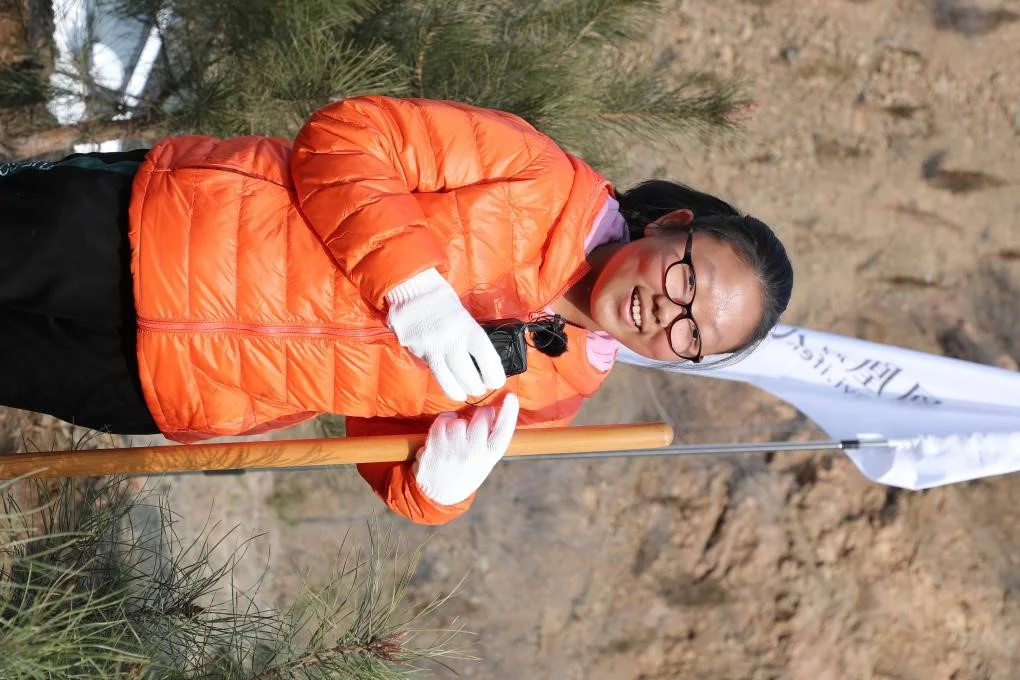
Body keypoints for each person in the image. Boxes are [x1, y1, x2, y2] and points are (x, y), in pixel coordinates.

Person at [0, 96, 793, 524]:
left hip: (175, 386)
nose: (667, 313)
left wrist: (436, 491)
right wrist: (413, 288)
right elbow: (346, 138)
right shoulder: (539, 180)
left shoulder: (552, 398)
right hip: (155, 234)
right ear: (674, 226)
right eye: (689, 282)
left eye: (691, 336)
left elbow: (377, 445)